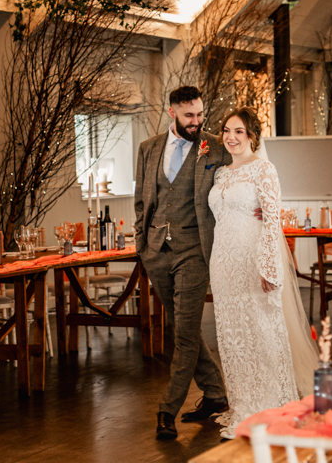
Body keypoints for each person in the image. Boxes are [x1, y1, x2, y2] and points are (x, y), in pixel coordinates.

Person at [208, 107, 320, 440]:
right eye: (227, 130)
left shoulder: (264, 170)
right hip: (223, 264)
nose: (231, 137)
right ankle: (242, 402)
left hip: (253, 261)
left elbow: (272, 221)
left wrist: (269, 265)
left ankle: (270, 403)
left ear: (252, 136)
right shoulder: (220, 174)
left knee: (262, 332)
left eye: (239, 131)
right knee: (232, 337)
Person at [133, 85, 229, 441]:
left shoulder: (215, 147)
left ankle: (166, 410)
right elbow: (142, 201)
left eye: (200, 114)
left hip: (194, 250)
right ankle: (216, 395)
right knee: (184, 328)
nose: (197, 121)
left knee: (183, 336)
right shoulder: (148, 149)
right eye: (190, 115)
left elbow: (235, 182)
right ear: (171, 110)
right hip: (157, 251)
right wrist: (143, 246)